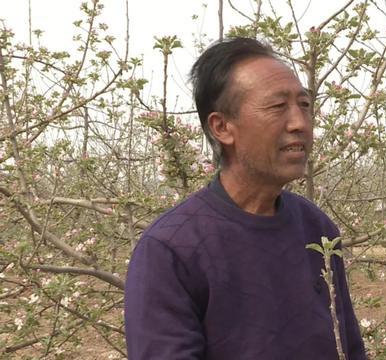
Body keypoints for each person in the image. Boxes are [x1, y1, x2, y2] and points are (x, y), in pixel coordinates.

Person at [124, 37, 367, 359]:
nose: (299, 123)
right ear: (222, 127)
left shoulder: (316, 228)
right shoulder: (172, 249)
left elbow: (347, 347)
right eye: (278, 107)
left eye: (304, 105)